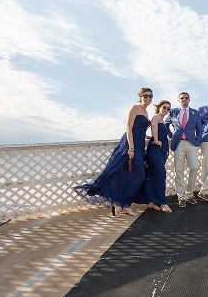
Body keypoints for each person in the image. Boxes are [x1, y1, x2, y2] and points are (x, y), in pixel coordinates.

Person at [75, 88, 152, 217]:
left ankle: (125, 205)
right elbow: (129, 128)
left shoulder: (146, 112)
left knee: (137, 175)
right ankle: (117, 203)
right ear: (140, 97)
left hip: (139, 144)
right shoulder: (135, 108)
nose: (148, 98)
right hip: (130, 144)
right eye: (146, 95)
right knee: (122, 173)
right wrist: (131, 148)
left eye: (150, 96)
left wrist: (147, 137)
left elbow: (139, 129)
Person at [163, 92, 200, 208]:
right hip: (178, 143)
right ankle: (181, 196)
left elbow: (200, 128)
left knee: (194, 167)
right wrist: (171, 136)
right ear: (179, 100)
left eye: (186, 98)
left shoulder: (195, 113)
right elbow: (165, 124)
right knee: (178, 170)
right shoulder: (173, 111)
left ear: (189, 100)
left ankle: (190, 193)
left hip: (191, 144)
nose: (184, 99)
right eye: (182, 98)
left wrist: (198, 141)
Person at [135, 99, 172, 213]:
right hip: (156, 147)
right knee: (161, 172)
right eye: (164, 107)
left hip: (162, 148)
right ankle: (162, 202)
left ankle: (151, 201)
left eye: (168, 108)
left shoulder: (163, 120)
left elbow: (148, 127)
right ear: (159, 107)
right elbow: (154, 126)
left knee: (153, 174)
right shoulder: (156, 116)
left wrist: (147, 136)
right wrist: (155, 140)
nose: (166, 110)